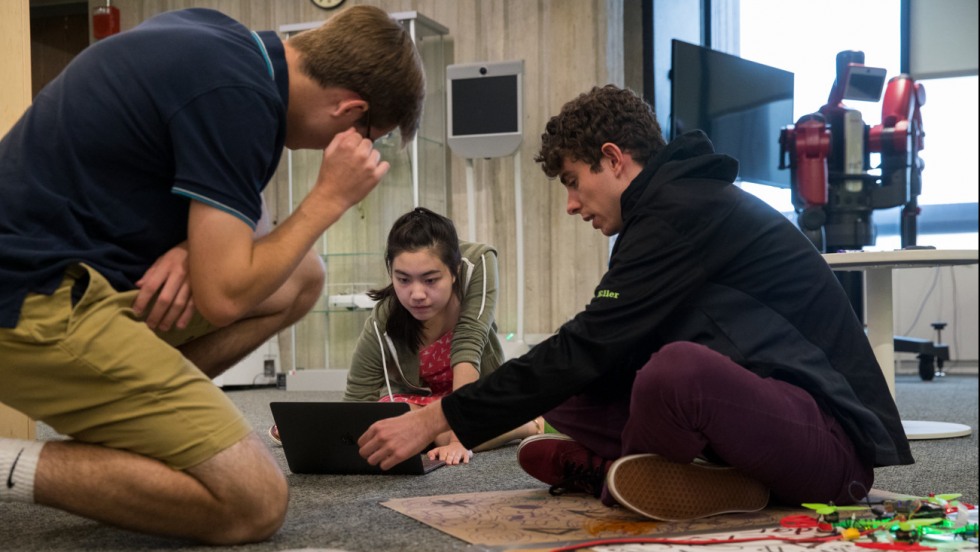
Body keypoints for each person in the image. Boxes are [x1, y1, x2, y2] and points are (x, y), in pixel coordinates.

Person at [356, 85, 913, 522]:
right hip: (761, 411)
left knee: (673, 373)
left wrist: (439, 417)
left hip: (830, 453)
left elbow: (593, 343)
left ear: (614, 158)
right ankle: (680, 476)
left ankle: (617, 473)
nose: (572, 205)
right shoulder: (664, 211)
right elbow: (599, 351)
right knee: (571, 387)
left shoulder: (681, 212)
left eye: (574, 182)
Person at [0, 6, 424, 544]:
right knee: (253, 502)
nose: (361, 150)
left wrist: (189, 241)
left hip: (70, 274)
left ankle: (141, 424)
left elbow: (247, 218)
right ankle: (8, 463)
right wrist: (329, 198)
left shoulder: (227, 44)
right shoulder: (239, 99)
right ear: (350, 110)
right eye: (369, 136)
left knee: (302, 277)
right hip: (31, 300)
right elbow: (223, 297)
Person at [267, 207, 541, 464]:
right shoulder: (383, 320)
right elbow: (357, 400)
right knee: (390, 415)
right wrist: (324, 432)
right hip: (422, 405)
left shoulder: (476, 265)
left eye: (430, 280)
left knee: (439, 432)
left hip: (473, 395)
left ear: (454, 272)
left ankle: (526, 425)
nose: (417, 294)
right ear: (391, 273)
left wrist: (460, 439)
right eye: (403, 279)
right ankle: (475, 425)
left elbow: (469, 341)